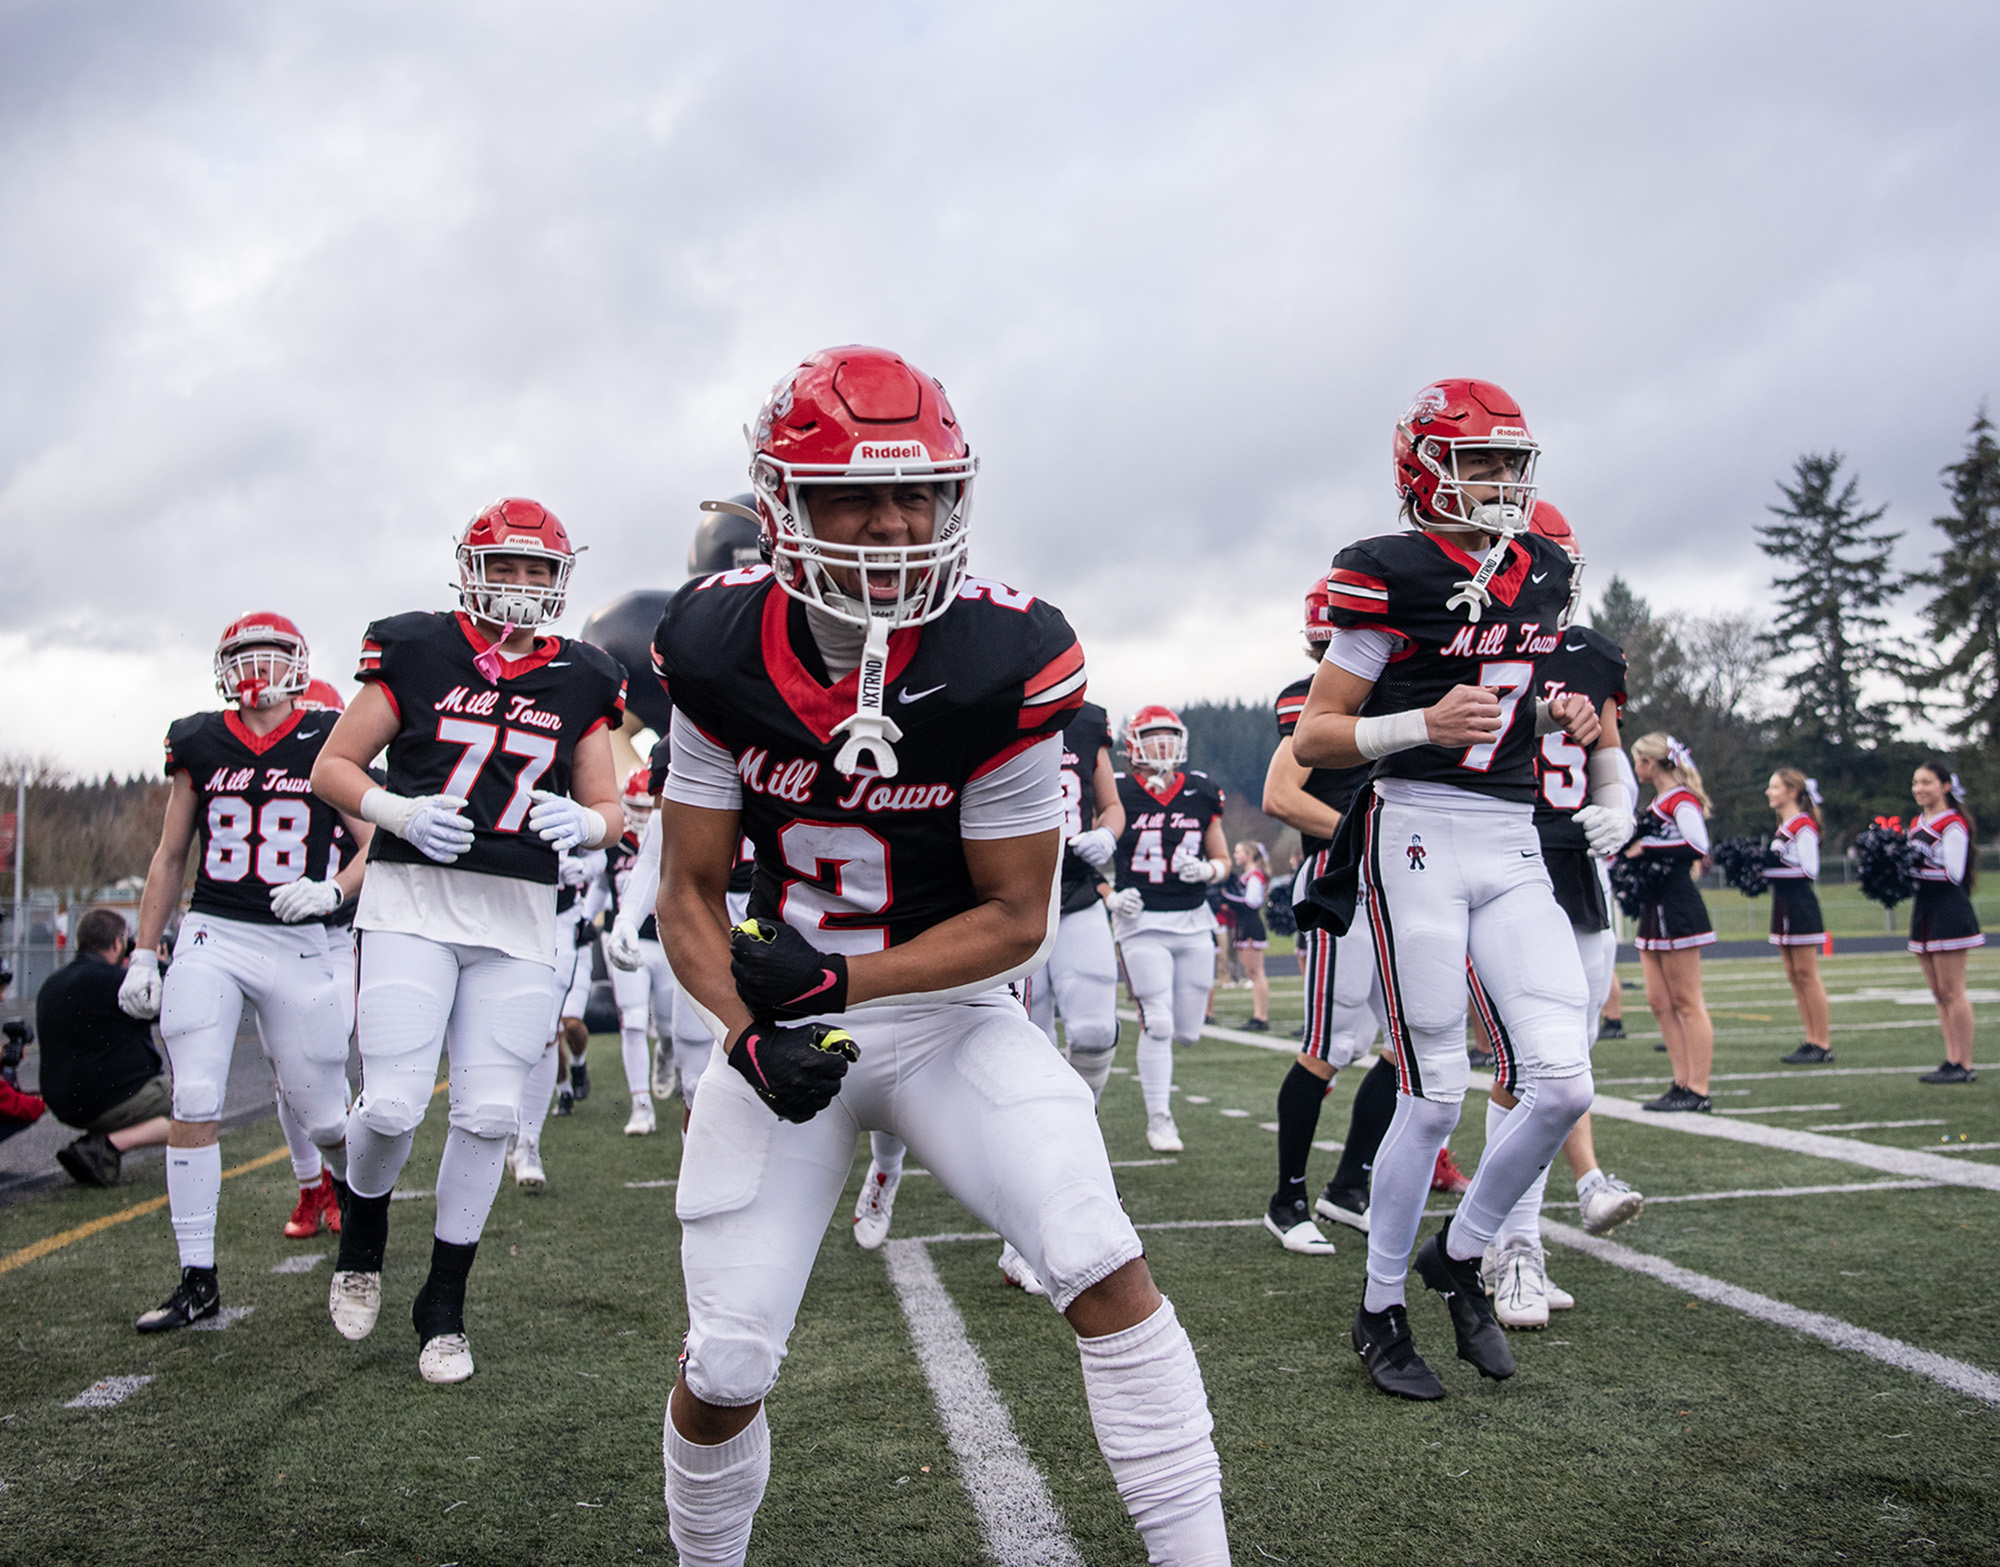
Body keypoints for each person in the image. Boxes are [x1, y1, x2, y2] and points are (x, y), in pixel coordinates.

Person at [654, 345, 1228, 1567]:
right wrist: (747, 1029)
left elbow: (1019, 914)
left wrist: (844, 980)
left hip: (951, 1015)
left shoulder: (1002, 658)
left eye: (916, 492)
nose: (892, 524)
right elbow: (688, 890)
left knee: (1094, 1253)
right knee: (728, 1358)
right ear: (781, 507)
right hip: (782, 1034)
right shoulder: (711, 648)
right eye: (854, 496)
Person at [1292, 377, 1600, 1400]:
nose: (1502, 482)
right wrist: (1418, 723)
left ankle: (1456, 1256)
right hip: (1412, 832)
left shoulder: (1542, 568)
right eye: (1482, 461)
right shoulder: (1384, 571)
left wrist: (1558, 720)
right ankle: (1379, 1307)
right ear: (1423, 465)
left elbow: (1520, 693)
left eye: (1514, 462)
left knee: (1561, 1081)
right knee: (1431, 1097)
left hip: (1511, 838)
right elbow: (1317, 734)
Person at [310, 498, 626, 1383]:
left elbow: (606, 806)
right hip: (413, 899)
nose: (524, 586)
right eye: (510, 566)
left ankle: (443, 1302)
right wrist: (396, 807)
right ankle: (363, 1230)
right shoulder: (415, 646)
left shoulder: (585, 675)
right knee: (393, 1105)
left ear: (560, 580)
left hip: (519, 917)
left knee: (489, 1114)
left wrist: (590, 826)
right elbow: (331, 766)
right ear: (471, 567)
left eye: (540, 570)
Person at [117, 614, 372, 1331]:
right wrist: (144, 949)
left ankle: (352, 1196)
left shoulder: (330, 731)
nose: (255, 667)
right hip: (216, 929)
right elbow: (171, 854)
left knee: (323, 1112)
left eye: (270, 653)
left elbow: (375, 840)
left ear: (298, 661)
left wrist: (334, 890)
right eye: (241, 655)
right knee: (194, 1090)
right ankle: (197, 1277)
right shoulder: (198, 737)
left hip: (305, 939)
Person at [1463, 502, 1645, 1329]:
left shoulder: (1591, 654)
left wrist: (1621, 803)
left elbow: (1608, 747)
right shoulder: (1466, 640)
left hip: (1578, 870)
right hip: (1505, 860)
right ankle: (1514, 1244)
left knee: (1567, 1068)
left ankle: (1509, 1238)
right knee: (1523, 1067)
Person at [1108, 706, 1230, 1154]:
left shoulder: (1200, 790)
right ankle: (1160, 1119)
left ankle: (1161, 1108)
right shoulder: (1118, 792)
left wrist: (1207, 870)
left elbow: (1224, 860)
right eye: (1152, 736)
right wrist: (1109, 894)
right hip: (1140, 923)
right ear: (1133, 745)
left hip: (1194, 922)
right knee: (1157, 1022)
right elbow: (1089, 849)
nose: (1162, 746)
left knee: (1187, 1032)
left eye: (1168, 736)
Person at [33, 909, 172, 1184]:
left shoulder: (52, 983)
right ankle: (107, 1145)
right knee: (197, 1101)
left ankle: (95, 1143)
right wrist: (158, 967)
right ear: (119, 943)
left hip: (64, 1102)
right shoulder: (115, 983)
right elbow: (171, 1004)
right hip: (110, 1100)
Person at [1627, 733, 1716, 1112]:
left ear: (1650, 763)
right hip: (1653, 906)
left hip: (1678, 906)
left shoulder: (1681, 799)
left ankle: (1698, 1088)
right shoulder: (1659, 802)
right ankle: (1680, 1081)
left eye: (1638, 761)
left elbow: (1698, 845)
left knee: (1686, 1000)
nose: (1635, 769)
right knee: (1659, 1001)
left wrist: (1646, 848)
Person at [601, 765, 677, 1135]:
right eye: (639, 807)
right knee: (632, 1021)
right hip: (633, 941)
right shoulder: (613, 845)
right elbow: (596, 893)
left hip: (668, 941)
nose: (646, 816)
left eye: (652, 808)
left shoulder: (676, 837)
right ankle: (641, 1105)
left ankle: (665, 1051)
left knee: (666, 1023)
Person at [1907, 760, 1983, 1083]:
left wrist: (1911, 870)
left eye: (1927, 782)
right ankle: (1951, 1059)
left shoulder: (1952, 823)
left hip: (1948, 909)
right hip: (1924, 909)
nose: (1919, 789)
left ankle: (1964, 1064)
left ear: (1945, 786)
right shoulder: (1916, 822)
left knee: (1953, 990)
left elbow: (1953, 873)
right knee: (1938, 992)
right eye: (1915, 783)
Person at [1767, 769, 1834, 1065]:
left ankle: (1821, 1042)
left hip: (1800, 903)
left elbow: (1809, 870)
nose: (1769, 792)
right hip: (1782, 903)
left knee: (1807, 974)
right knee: (1794, 976)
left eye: (1774, 787)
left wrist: (1766, 871)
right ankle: (1810, 1038)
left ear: (1792, 791)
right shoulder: (1784, 826)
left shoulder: (1803, 824)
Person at [1223, 842, 1272, 1030]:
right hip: (1245, 925)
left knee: (1256, 973)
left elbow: (1251, 903)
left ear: (1249, 854)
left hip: (1251, 926)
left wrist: (1225, 896)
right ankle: (1258, 1015)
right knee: (1252, 973)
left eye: (1238, 852)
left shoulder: (1255, 876)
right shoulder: (1248, 875)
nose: (1235, 855)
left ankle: (1261, 1017)